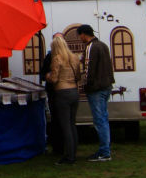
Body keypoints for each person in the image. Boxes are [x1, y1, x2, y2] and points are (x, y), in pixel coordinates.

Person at [77, 24, 115, 162]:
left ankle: (104, 151)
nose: (80, 38)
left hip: (96, 89)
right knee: (104, 118)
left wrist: (84, 85)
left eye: (79, 36)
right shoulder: (103, 45)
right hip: (106, 86)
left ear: (83, 34)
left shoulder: (90, 47)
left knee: (99, 120)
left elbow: (89, 69)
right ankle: (106, 148)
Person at [46, 33, 81, 165]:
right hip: (74, 91)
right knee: (72, 124)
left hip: (62, 92)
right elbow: (78, 76)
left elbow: (54, 79)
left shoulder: (57, 59)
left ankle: (69, 156)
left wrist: (48, 76)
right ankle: (74, 152)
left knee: (65, 125)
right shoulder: (74, 58)